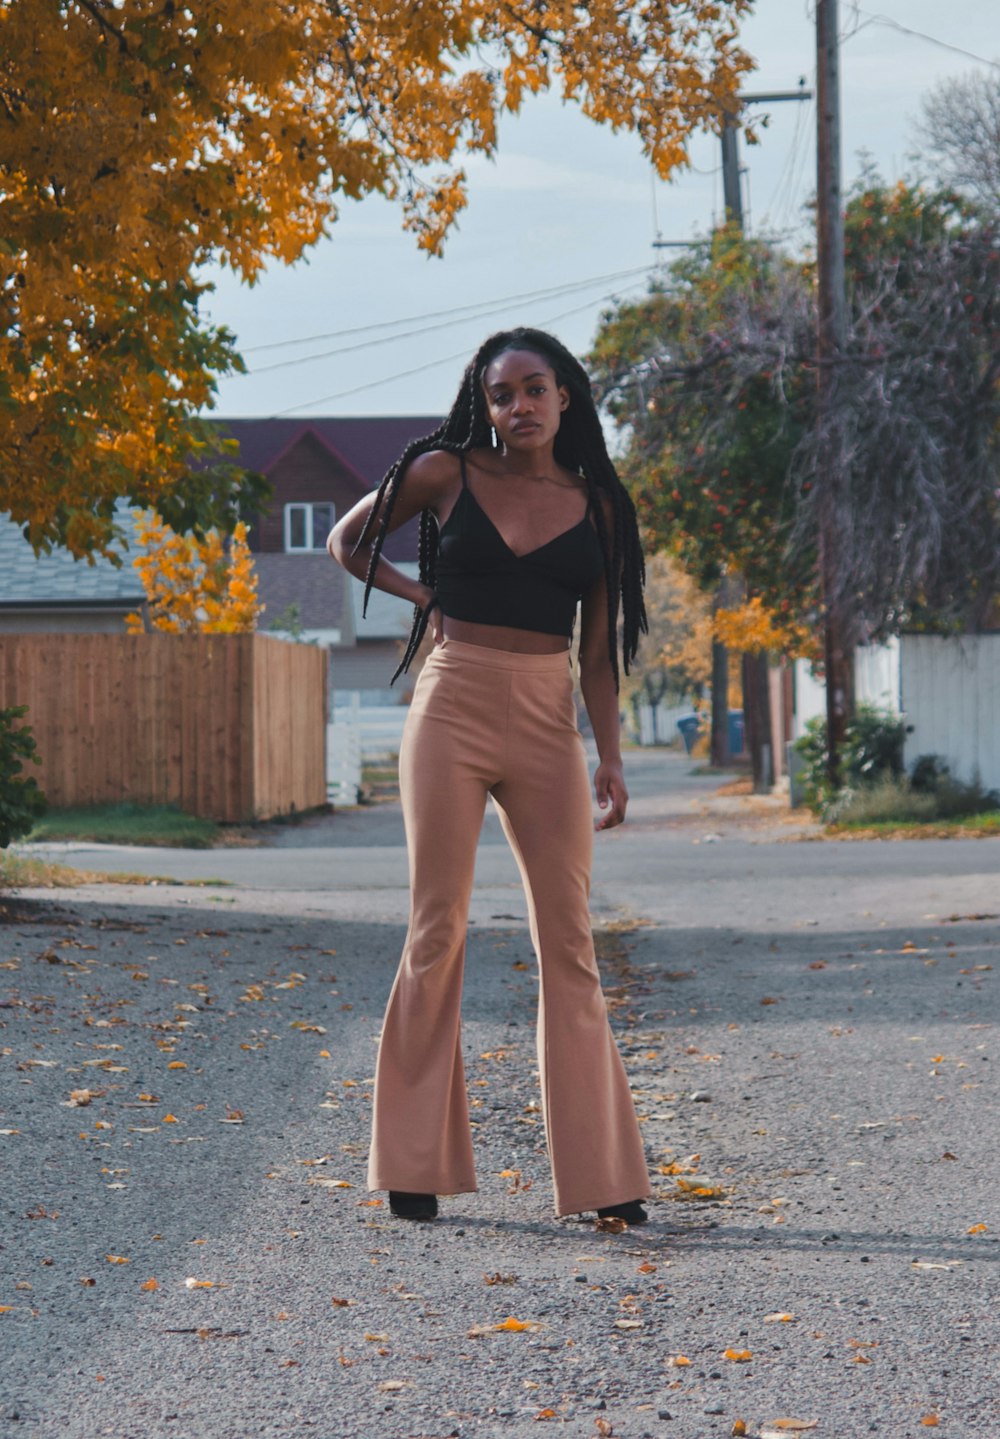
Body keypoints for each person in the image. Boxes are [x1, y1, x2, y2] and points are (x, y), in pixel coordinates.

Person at [327, 327, 651, 1224]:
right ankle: (412, 1165)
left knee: (571, 940)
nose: (519, 406)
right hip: (453, 702)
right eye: (502, 393)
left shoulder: (599, 507)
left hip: (549, 716)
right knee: (439, 924)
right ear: (486, 402)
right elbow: (346, 541)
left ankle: (605, 1178)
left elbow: (597, 653)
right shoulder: (444, 471)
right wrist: (423, 596)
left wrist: (610, 753)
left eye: (534, 388)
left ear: (565, 397)